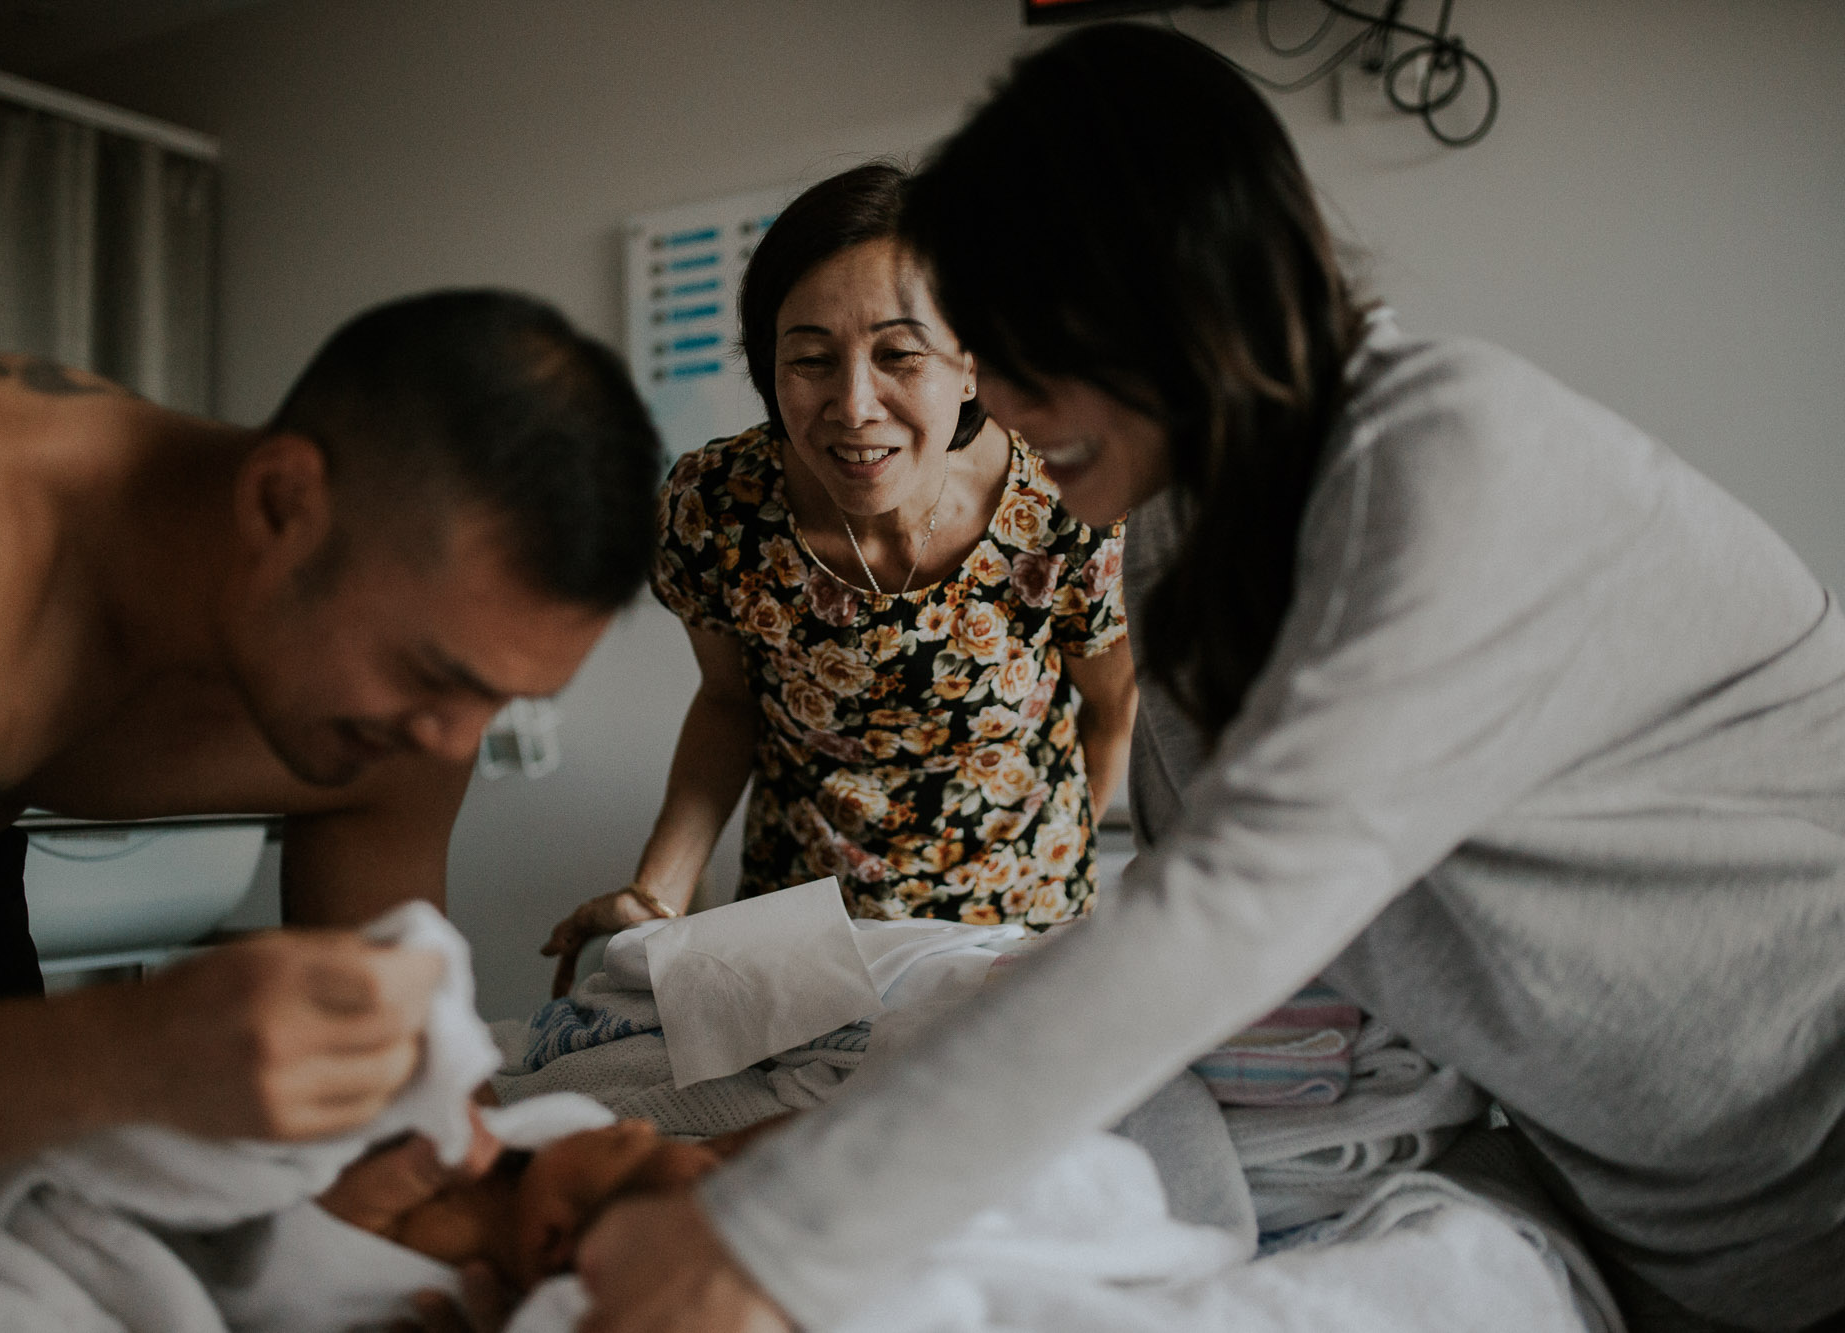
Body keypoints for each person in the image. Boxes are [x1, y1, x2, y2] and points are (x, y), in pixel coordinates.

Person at [570, 24, 1845, 1333]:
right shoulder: (1179, 536)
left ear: (1175, 289)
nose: (996, 398)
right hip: (1645, 1210)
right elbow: (1224, 964)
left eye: (1001, 348)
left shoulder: (1453, 455)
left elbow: (1229, 907)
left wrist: (771, 1238)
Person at [0, 289, 662, 1189]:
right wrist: (135, 1044)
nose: (450, 742)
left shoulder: (413, 734)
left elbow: (404, 1108)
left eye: (502, 700)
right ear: (280, 505)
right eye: (434, 673)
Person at [543, 164, 1136, 993]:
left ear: (970, 365)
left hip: (1018, 934)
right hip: (805, 932)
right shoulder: (714, 506)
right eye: (811, 360)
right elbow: (725, 704)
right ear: (769, 368)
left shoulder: (1065, 500)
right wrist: (656, 896)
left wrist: (1060, 866)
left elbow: (1111, 704)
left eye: (898, 353)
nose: (855, 404)